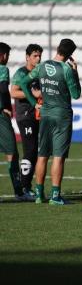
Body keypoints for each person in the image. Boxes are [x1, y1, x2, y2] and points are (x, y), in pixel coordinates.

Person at [20, 38, 81, 205]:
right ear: (70, 55)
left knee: (42, 155)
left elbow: (23, 82)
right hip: (62, 116)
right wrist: (75, 71)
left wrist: (34, 104)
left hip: (45, 114)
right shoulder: (66, 70)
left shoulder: (42, 66)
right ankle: (55, 196)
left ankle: (39, 195)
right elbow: (76, 94)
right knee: (58, 157)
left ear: (57, 48)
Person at [10, 44, 43, 200]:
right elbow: (14, 91)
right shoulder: (21, 73)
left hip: (37, 115)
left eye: (39, 55)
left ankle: (29, 187)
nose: (38, 58)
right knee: (30, 150)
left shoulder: (39, 73)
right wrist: (33, 94)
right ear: (27, 57)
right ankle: (24, 189)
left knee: (35, 151)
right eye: (35, 55)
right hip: (25, 115)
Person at [0, 42, 26, 201]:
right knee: (12, 152)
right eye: (7, 55)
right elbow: (3, 89)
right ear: (2, 55)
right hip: (0, 116)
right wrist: (8, 108)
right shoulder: (2, 69)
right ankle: (19, 192)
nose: (7, 59)